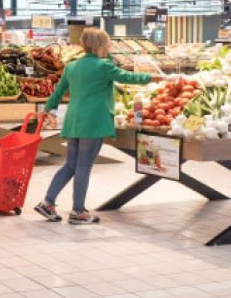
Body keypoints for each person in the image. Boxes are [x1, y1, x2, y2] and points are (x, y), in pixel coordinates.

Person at [33, 28, 164, 225]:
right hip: (93, 121)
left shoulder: (71, 66)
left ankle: (47, 202)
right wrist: (154, 78)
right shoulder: (104, 65)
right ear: (100, 46)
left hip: (74, 120)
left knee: (70, 165)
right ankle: (78, 212)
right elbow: (127, 77)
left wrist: (47, 109)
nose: (109, 48)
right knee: (84, 166)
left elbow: (58, 92)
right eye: (107, 44)